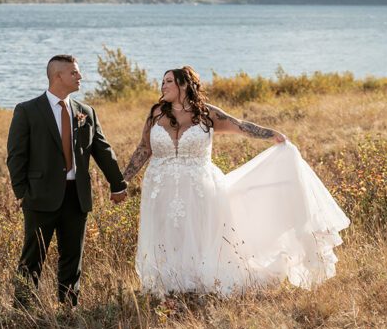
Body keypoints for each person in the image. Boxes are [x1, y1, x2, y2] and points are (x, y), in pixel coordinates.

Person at [121, 66, 349, 296]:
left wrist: (270, 134)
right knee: (166, 233)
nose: (163, 86)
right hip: (160, 189)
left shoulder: (206, 114)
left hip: (200, 187)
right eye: (162, 82)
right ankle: (168, 285)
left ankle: (199, 284)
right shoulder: (156, 113)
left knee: (201, 234)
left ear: (184, 85)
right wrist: (123, 181)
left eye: (168, 81)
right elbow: (143, 149)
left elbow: (240, 126)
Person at [6, 54, 127, 306]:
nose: (80, 77)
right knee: (32, 258)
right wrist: (22, 193)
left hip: (77, 196)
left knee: (73, 258)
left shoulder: (86, 112)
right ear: (57, 76)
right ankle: (21, 311)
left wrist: (117, 184)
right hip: (40, 197)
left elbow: (103, 151)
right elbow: (16, 156)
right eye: (74, 73)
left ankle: (68, 310)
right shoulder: (27, 110)